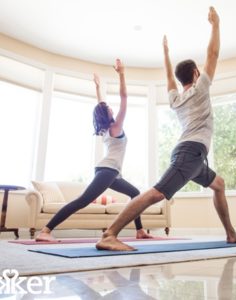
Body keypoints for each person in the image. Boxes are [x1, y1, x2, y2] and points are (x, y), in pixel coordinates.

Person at [97, 7, 236, 251]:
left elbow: (168, 75)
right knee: (156, 193)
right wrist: (215, 25)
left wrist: (165, 53)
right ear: (197, 74)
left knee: (218, 184)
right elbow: (214, 53)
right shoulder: (201, 88)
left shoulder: (175, 99)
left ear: (180, 81)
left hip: (194, 156)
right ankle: (110, 234)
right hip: (191, 152)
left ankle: (230, 233)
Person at [35, 59, 152, 242]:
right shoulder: (116, 127)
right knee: (82, 201)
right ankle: (45, 230)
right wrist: (121, 74)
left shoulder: (107, 128)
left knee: (135, 194)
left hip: (112, 173)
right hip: (108, 171)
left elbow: (101, 104)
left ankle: (140, 231)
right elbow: (124, 98)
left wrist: (98, 87)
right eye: (108, 108)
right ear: (107, 114)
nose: (111, 108)